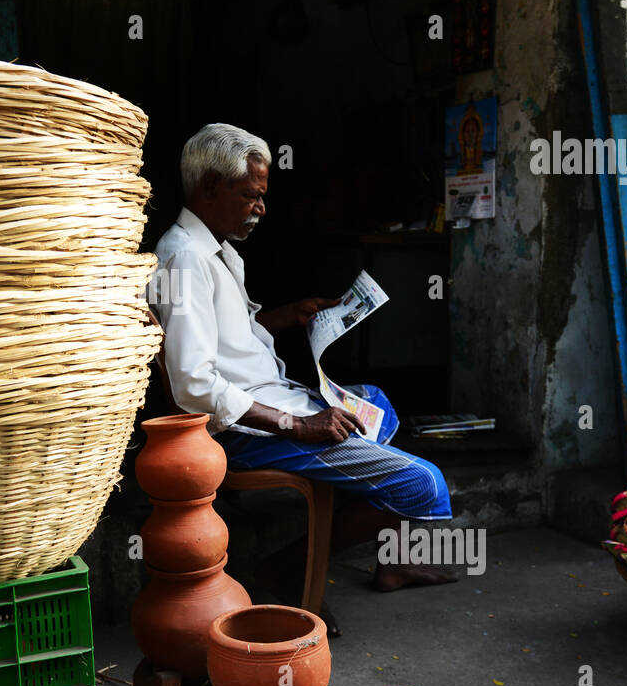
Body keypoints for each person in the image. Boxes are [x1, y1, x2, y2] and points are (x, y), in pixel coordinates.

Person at [146, 123, 456, 636]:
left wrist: (289, 315)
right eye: (250, 195)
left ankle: (389, 559)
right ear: (207, 188)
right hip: (246, 433)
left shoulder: (217, 252)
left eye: (262, 196)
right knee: (424, 485)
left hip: (277, 401)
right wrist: (297, 426)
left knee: (375, 402)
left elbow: (227, 335)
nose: (260, 208)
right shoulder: (182, 260)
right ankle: (289, 566)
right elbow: (193, 383)